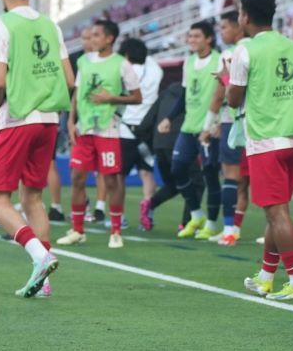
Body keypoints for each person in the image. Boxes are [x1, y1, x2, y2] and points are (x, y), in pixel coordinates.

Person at [0, 0, 69, 297]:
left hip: (17, 117)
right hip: (49, 119)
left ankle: (39, 254)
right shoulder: (51, 25)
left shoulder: (2, 24)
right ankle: (43, 281)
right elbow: (70, 78)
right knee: (33, 197)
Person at [227, 0, 293, 300]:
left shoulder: (245, 50)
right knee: (277, 212)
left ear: (245, 16)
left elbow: (233, 98)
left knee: (277, 213)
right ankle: (266, 276)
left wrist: (226, 81)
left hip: (266, 140)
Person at [57, 18, 142, 248]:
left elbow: (137, 97)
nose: (91, 39)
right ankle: (77, 230)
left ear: (109, 39)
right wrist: (71, 121)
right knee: (76, 177)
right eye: (90, 35)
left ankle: (115, 231)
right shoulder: (84, 61)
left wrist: (110, 98)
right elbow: (78, 93)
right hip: (84, 130)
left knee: (112, 180)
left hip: (108, 130)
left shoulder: (122, 64)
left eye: (96, 35)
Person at [156, 20, 224, 240]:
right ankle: (197, 215)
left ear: (208, 39)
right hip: (189, 126)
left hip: (209, 126)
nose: (192, 40)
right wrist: (169, 118)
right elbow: (185, 95)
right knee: (177, 169)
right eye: (190, 36)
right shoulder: (189, 62)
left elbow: (223, 92)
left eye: (196, 36)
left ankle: (212, 223)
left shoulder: (219, 60)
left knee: (210, 174)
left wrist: (218, 122)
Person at [210, 10, 250, 245]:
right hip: (253, 122)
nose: (221, 32)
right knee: (243, 180)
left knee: (232, 175)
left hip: (232, 120)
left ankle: (229, 230)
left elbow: (222, 94)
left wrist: (209, 124)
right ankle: (233, 228)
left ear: (239, 26)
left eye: (224, 27)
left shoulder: (230, 54)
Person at [119, 36, 162, 230]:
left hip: (126, 128)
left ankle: (118, 216)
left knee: (119, 176)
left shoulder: (124, 70)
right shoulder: (156, 70)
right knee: (147, 172)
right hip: (147, 130)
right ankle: (148, 212)